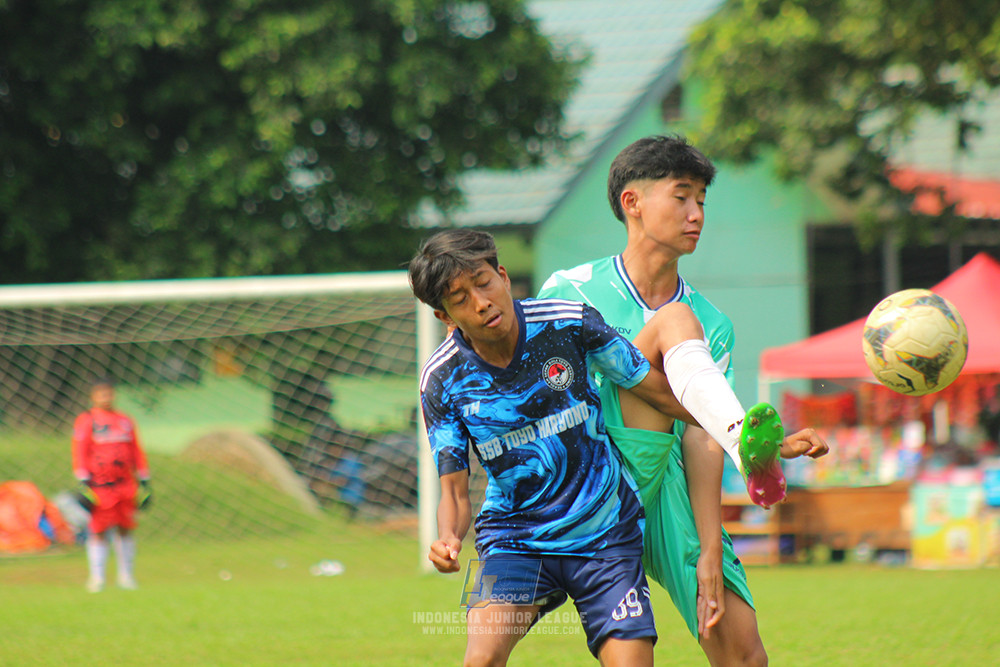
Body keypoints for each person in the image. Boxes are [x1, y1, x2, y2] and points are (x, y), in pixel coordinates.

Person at [538, 134, 829, 666]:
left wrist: (710, 552)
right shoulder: (569, 291)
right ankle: (747, 438)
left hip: (666, 474)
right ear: (633, 203)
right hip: (589, 477)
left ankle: (741, 440)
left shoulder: (713, 323)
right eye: (682, 196)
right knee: (663, 334)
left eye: (702, 201)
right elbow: (545, 395)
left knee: (745, 653)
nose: (697, 213)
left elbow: (698, 436)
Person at [411, 228, 701, 665]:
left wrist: (739, 432)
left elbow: (658, 391)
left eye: (483, 282)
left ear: (504, 276)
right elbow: (453, 488)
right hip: (514, 540)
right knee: (480, 659)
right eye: (459, 297)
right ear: (444, 316)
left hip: (605, 533)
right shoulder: (441, 379)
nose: (481, 301)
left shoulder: (568, 322)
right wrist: (448, 538)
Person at [72, 378, 151, 592]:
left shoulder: (124, 420)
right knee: (98, 528)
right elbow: (80, 450)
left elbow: (136, 449)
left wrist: (144, 478)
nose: (106, 398)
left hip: (125, 483)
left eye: (109, 394)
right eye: (101, 394)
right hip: (100, 484)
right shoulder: (88, 420)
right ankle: (97, 578)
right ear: (93, 397)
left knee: (125, 527)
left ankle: (126, 576)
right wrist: (82, 479)